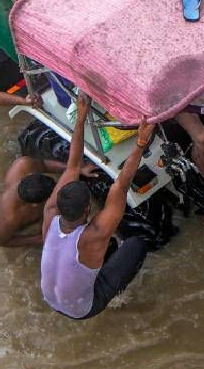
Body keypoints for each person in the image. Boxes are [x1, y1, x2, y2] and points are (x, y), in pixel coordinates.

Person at [40, 93, 153, 320]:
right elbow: (120, 186)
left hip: (49, 298)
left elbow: (72, 165)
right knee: (137, 244)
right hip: (83, 309)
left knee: (102, 247)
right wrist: (141, 143)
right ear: (87, 211)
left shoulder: (50, 212)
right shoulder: (95, 234)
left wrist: (80, 119)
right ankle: (117, 298)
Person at [0, 155, 97, 248]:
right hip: (18, 227)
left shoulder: (23, 165)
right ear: (34, 205)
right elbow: (1, 242)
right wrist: (40, 239)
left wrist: (77, 169)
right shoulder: (10, 219)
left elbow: (43, 164)